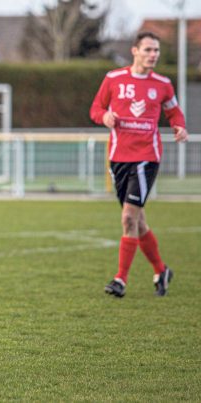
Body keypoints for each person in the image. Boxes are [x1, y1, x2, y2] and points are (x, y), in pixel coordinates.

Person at [90, 31, 187, 298]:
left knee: (128, 217)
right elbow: (95, 109)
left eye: (156, 50)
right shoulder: (114, 79)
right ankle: (161, 269)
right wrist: (105, 116)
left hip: (146, 158)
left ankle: (120, 279)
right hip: (118, 157)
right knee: (139, 221)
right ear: (135, 51)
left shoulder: (163, 84)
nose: (153, 55)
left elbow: (174, 110)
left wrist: (179, 126)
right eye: (148, 50)